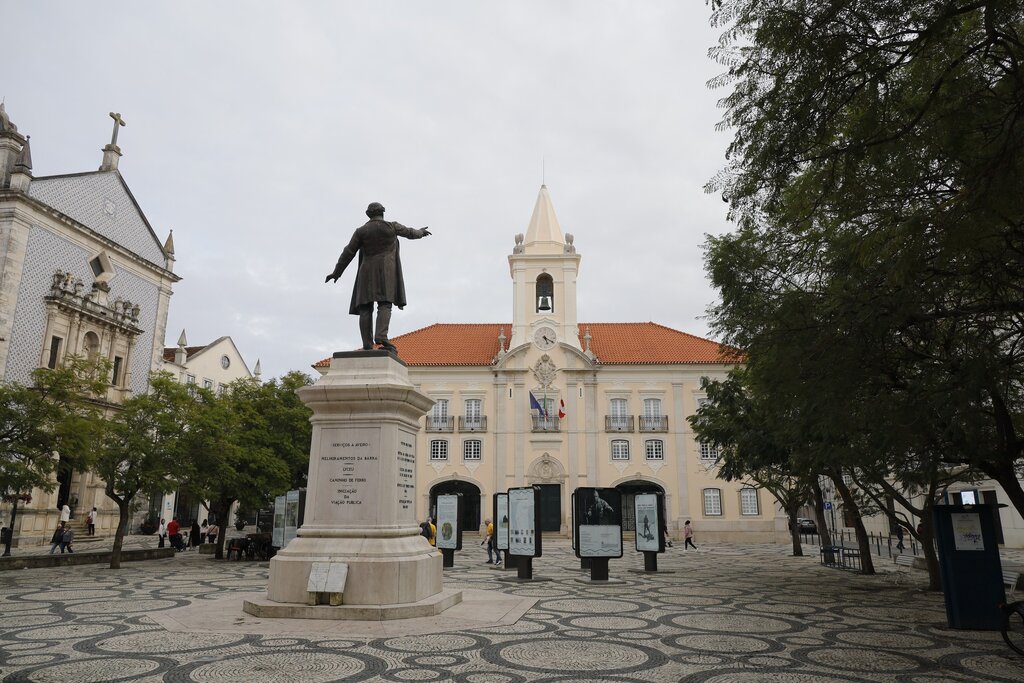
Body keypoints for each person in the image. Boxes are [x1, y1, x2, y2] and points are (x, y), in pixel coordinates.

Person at [324, 202, 432, 351]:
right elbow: (410, 233)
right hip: (386, 272)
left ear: (368, 214)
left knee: (365, 308)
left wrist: (337, 272)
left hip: (366, 272)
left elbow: (348, 252)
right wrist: (421, 232)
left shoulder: (361, 231)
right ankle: (381, 336)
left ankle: (367, 344)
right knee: (385, 304)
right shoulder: (391, 226)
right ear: (383, 212)